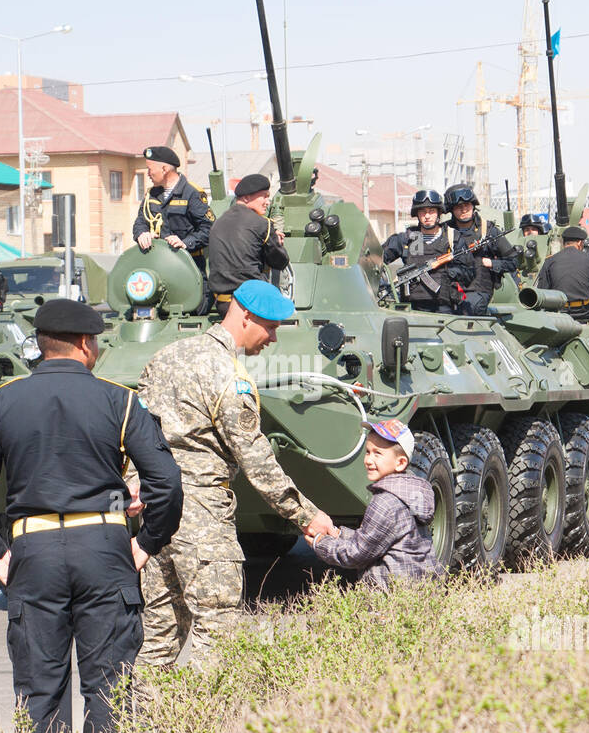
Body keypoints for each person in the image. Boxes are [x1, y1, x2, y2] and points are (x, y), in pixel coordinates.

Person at [0, 298, 183, 733]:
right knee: (108, 685)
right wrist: (147, 543)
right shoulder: (119, 400)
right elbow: (167, 482)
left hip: (32, 553)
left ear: (41, 345)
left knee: (40, 689)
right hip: (104, 552)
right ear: (84, 344)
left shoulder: (0, 402)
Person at [135, 279, 335, 669]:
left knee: (157, 642)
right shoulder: (229, 375)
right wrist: (307, 517)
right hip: (202, 517)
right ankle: (209, 728)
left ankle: (149, 728)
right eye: (271, 327)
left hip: (156, 514)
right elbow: (256, 459)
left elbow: (136, 433)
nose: (273, 339)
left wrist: (133, 486)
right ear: (245, 315)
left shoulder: (166, 357)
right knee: (217, 637)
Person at [307, 418, 442, 587]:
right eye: (368, 452)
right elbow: (375, 537)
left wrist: (319, 542)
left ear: (400, 463)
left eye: (378, 453)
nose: (368, 460)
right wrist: (337, 534)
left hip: (391, 599)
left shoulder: (385, 502)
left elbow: (357, 554)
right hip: (418, 592)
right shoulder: (410, 493)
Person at [207, 173, 289, 317]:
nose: (267, 201)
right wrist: (278, 243)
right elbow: (280, 262)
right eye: (264, 196)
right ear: (246, 197)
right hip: (252, 304)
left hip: (223, 304)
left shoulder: (218, 223)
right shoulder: (262, 224)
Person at [382, 190, 473, 313]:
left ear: (438, 213)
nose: (427, 216)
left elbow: (469, 272)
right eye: (423, 212)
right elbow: (378, 258)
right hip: (411, 307)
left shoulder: (452, 238)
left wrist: (448, 273)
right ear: (417, 214)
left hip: (444, 308)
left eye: (431, 211)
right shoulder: (409, 238)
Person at [132, 144, 214, 280]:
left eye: (150, 169)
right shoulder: (150, 195)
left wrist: (185, 243)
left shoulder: (192, 193)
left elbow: (209, 229)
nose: (148, 174)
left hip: (188, 269)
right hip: (157, 268)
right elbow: (140, 222)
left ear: (164, 169)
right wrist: (141, 233)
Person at [444, 182, 515, 316]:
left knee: (469, 311)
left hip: (477, 291)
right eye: (459, 207)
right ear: (451, 210)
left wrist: (492, 263)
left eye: (467, 205)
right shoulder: (445, 231)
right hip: (448, 290)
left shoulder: (488, 231)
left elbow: (513, 261)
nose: (464, 209)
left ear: (473, 205)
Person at [536, 226, 589, 321]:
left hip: (559, 314)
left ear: (563, 243)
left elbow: (542, 289)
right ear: (580, 243)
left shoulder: (550, 261)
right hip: (584, 313)